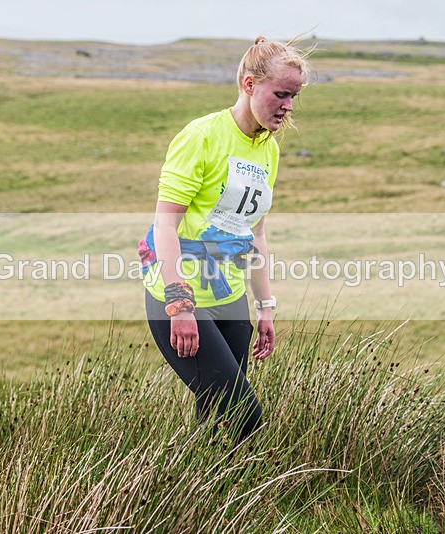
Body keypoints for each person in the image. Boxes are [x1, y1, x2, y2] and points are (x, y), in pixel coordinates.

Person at [139, 35, 311, 444]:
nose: (288, 106)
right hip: (182, 299)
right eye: (281, 94)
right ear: (250, 84)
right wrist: (179, 304)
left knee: (215, 424)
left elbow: (256, 233)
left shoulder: (268, 149)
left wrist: (264, 307)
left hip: (230, 297)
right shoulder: (201, 136)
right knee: (244, 415)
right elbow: (165, 225)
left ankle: (192, 484)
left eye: (294, 96)